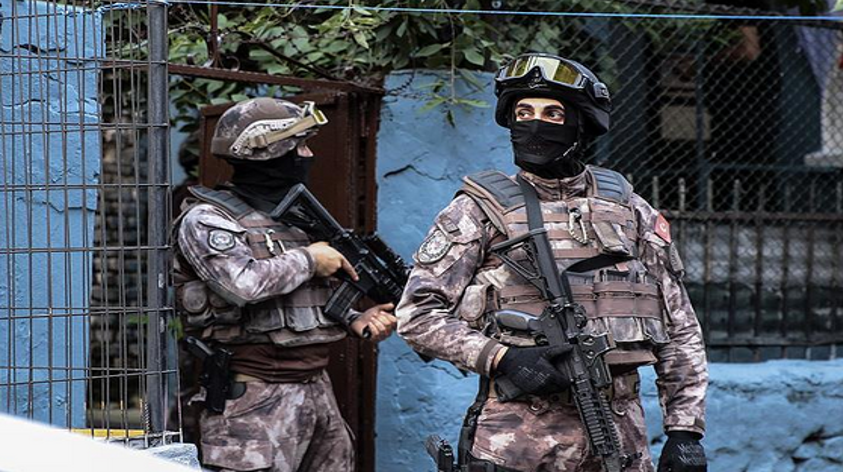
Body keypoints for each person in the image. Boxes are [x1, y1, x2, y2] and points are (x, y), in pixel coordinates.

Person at [396, 53, 708, 472]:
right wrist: (501, 358)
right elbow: (417, 316)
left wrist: (685, 431)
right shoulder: (477, 210)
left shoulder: (629, 210)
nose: (534, 125)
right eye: (523, 113)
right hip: (517, 444)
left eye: (552, 114)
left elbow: (679, 325)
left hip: (620, 441)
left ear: (580, 124)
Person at [172, 97, 396, 472]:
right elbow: (242, 285)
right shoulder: (208, 218)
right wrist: (310, 259)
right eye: (300, 146)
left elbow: (298, 296)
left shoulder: (289, 219)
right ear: (268, 152)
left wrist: (354, 318)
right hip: (254, 397)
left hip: (315, 388)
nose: (308, 156)